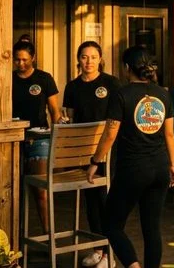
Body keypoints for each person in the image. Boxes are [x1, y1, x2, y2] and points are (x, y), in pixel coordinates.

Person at [86, 46, 174, 268]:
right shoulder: (163, 94)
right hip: (159, 168)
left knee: (111, 224)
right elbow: (169, 134)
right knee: (151, 228)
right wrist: (173, 165)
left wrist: (95, 162)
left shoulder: (122, 94)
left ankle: (133, 265)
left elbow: (110, 133)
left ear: (127, 68)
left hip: (133, 169)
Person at [64, 41, 121, 268]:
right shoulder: (73, 86)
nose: (88, 62)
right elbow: (70, 117)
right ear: (78, 59)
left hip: (107, 149)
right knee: (90, 200)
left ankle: (110, 254)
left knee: (105, 199)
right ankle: (98, 248)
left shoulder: (111, 83)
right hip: (83, 150)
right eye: (84, 57)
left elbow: (118, 118)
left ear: (100, 59)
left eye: (93, 57)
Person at [12, 39, 61, 233]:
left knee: (41, 191)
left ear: (33, 57)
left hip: (40, 138)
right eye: (17, 60)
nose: (21, 64)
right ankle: (14, 239)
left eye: (25, 59)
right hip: (14, 138)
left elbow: (54, 110)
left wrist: (57, 136)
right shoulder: (9, 79)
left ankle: (49, 236)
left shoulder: (44, 78)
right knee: (13, 191)